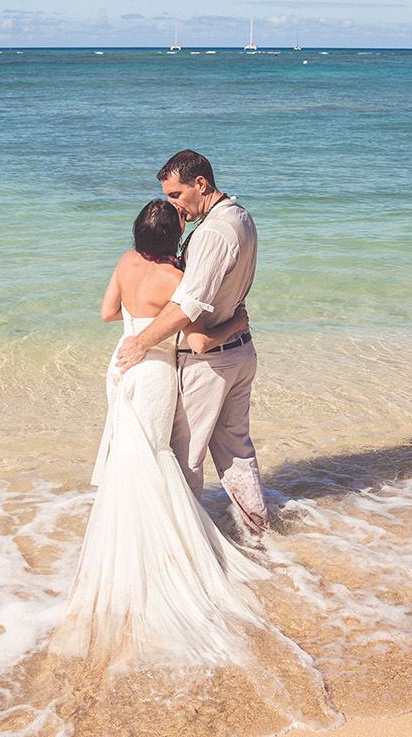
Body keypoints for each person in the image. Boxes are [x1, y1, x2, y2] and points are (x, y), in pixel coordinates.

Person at [49, 199, 268, 667]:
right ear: (174, 239)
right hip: (154, 374)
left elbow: (108, 313)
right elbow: (200, 341)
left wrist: (136, 318)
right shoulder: (177, 280)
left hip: (120, 369)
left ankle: (125, 542)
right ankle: (169, 550)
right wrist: (240, 321)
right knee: (156, 454)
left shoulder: (125, 263)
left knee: (129, 452)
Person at [114, 150, 269, 537]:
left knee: (186, 459)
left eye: (177, 195)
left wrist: (141, 342)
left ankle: (185, 545)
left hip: (208, 362)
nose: (174, 205)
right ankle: (258, 531)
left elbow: (189, 304)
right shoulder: (240, 216)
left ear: (200, 184)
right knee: (236, 450)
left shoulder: (214, 232)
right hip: (237, 350)